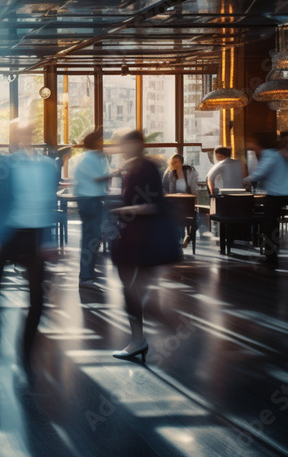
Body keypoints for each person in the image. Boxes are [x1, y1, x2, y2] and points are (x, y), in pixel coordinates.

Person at [0, 120, 59, 364]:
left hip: (35, 233)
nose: (23, 136)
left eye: (27, 132)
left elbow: (49, 203)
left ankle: (27, 346)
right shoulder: (1, 165)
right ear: (12, 135)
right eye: (18, 133)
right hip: (7, 232)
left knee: (37, 296)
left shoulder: (47, 166)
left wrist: (48, 238)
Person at [109, 130, 177, 363]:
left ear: (138, 144)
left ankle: (146, 335)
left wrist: (123, 211)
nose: (122, 148)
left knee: (135, 291)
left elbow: (153, 205)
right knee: (132, 290)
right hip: (133, 237)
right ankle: (140, 338)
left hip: (143, 238)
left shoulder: (145, 169)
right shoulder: (134, 168)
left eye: (125, 144)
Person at [244, 131, 288, 266]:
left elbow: (263, 170)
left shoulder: (270, 154)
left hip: (275, 193)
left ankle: (271, 259)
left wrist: (248, 179)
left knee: (269, 226)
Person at [73, 129, 113, 290]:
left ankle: (87, 274)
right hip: (91, 201)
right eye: (101, 140)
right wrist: (115, 173)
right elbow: (98, 178)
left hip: (90, 201)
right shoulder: (90, 158)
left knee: (92, 238)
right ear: (95, 142)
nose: (103, 143)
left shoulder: (89, 157)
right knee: (91, 239)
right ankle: (86, 276)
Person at [162, 153, 199, 247]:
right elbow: (163, 188)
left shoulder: (189, 172)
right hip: (174, 202)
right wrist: (168, 196)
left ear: (181, 163)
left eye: (176, 162)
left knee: (197, 220)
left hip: (188, 201)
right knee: (177, 221)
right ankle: (178, 241)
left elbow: (194, 187)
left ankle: (189, 237)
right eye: (172, 162)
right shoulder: (169, 174)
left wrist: (195, 198)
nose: (174, 164)